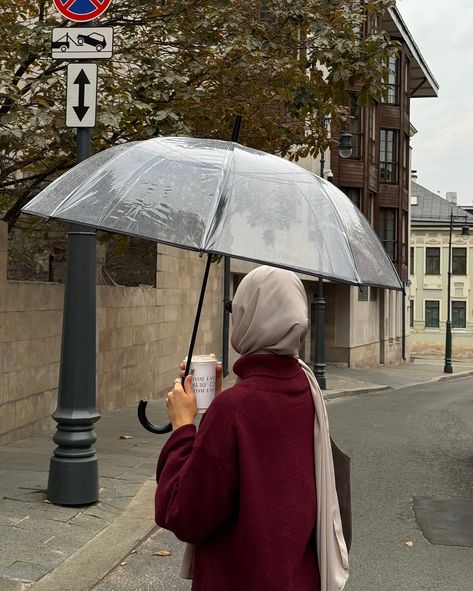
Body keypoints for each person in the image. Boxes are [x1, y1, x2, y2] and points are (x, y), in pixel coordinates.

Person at [155, 265, 348, 591]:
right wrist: (212, 413)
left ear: (249, 318)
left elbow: (183, 513)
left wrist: (182, 428)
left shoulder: (234, 409)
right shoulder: (305, 386)